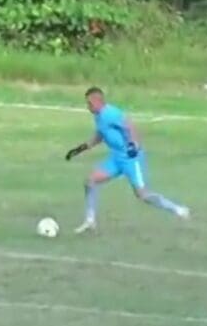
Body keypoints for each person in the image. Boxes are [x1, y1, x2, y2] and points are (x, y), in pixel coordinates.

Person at [65, 86, 189, 234]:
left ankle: (178, 210)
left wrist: (133, 145)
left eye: (89, 104)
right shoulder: (98, 116)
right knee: (90, 181)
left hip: (131, 159)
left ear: (98, 101)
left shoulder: (110, 113)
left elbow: (130, 125)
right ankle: (90, 221)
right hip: (116, 158)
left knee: (143, 195)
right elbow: (100, 136)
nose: (88, 107)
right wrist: (79, 149)